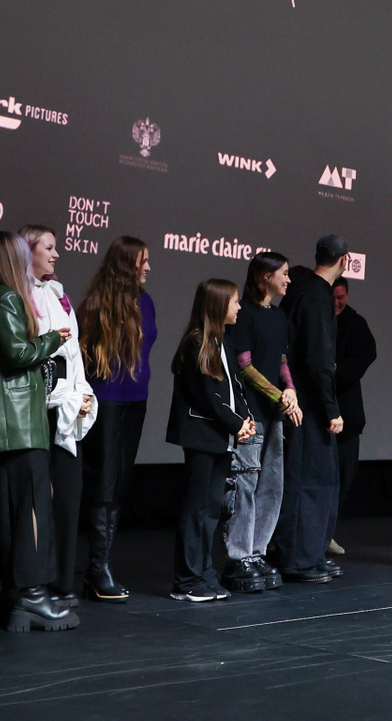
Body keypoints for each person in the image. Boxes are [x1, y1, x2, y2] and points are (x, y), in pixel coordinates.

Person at [0, 231, 76, 630]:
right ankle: (33, 596)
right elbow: (18, 353)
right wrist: (50, 339)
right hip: (19, 423)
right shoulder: (7, 297)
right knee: (33, 506)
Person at [76, 237, 156, 602]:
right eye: (143, 261)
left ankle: (100, 566)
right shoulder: (97, 303)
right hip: (106, 401)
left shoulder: (146, 302)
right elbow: (81, 354)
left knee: (120, 484)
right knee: (103, 483)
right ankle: (98, 567)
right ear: (126, 264)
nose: (148, 267)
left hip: (136, 401)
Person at [166, 279, 255, 601]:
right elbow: (207, 395)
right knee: (197, 509)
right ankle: (186, 580)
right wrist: (236, 423)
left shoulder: (223, 341)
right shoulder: (197, 343)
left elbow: (234, 387)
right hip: (202, 437)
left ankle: (204, 573)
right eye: (235, 301)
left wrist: (245, 418)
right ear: (218, 305)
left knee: (211, 510)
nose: (239, 307)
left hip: (220, 437)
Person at [22, 226, 96, 605]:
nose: (56, 255)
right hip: (39, 408)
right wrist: (59, 396)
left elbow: (73, 353)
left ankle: (62, 581)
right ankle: (36, 583)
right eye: (49, 247)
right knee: (39, 500)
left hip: (67, 404)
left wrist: (82, 394)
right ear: (28, 250)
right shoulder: (19, 296)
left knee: (68, 495)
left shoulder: (59, 294)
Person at [220, 251, 297, 594]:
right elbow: (245, 365)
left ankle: (257, 551)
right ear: (266, 276)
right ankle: (238, 556)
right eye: (284, 273)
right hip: (251, 414)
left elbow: (281, 359)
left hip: (274, 415)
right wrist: (279, 395)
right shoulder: (245, 314)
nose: (288, 280)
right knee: (245, 484)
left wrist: (290, 390)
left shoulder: (279, 316)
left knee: (271, 486)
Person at [275, 234, 347, 582]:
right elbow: (318, 359)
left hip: (302, 402)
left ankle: (310, 554)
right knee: (309, 481)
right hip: (308, 406)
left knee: (316, 480)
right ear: (344, 260)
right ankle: (300, 559)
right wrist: (331, 409)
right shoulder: (316, 296)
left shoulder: (304, 291)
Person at [331, 276, 377, 555]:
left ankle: (327, 532)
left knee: (344, 476)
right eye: (333, 297)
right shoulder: (316, 319)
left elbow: (367, 354)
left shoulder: (355, 323)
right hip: (318, 413)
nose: (337, 302)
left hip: (348, 413)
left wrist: (337, 371)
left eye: (341, 297)